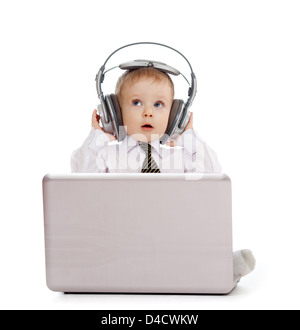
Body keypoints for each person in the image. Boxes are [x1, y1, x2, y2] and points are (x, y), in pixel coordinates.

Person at [71, 67, 255, 283]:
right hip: (122, 239)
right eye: (137, 102)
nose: (148, 112)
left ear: (175, 115)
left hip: (171, 238)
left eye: (159, 104)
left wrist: (188, 136)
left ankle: (219, 267)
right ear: (116, 112)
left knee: (194, 237)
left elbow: (211, 175)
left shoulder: (178, 157)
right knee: (103, 251)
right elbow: (83, 179)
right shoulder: (109, 155)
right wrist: (98, 137)